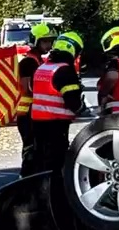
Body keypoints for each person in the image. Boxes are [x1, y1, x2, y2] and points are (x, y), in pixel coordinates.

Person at [30, 35, 83, 173]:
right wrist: (82, 109)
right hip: (56, 124)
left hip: (37, 122)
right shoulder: (65, 70)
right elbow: (72, 101)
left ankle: (39, 191)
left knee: (40, 159)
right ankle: (54, 192)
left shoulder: (43, 67)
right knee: (56, 163)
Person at [17, 23, 55, 177]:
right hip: (27, 112)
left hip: (36, 111)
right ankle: (24, 178)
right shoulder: (28, 62)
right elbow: (27, 88)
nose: (49, 45)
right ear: (36, 41)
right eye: (45, 41)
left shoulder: (40, 61)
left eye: (50, 41)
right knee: (30, 149)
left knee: (39, 148)